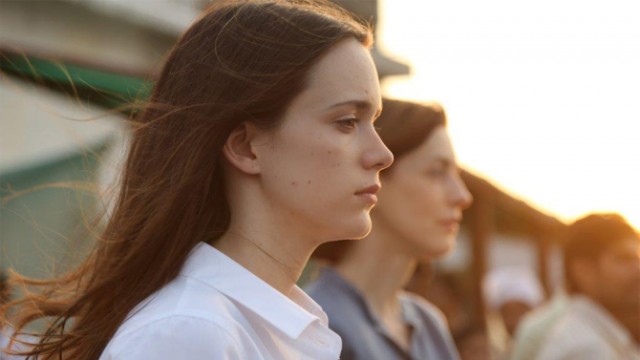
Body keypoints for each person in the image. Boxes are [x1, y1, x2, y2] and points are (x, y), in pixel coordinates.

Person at [0, 1, 394, 359]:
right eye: (346, 122)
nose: (382, 154)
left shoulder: (259, 324)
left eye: (372, 122)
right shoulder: (190, 334)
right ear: (245, 147)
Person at [307, 99, 473, 360]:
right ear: (375, 178)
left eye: (456, 174)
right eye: (436, 172)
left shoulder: (429, 325)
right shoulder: (319, 326)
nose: (462, 196)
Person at [536, 213, 640, 360]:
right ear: (584, 271)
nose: (638, 270)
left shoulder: (599, 336)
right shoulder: (584, 350)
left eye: (637, 258)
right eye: (624, 259)